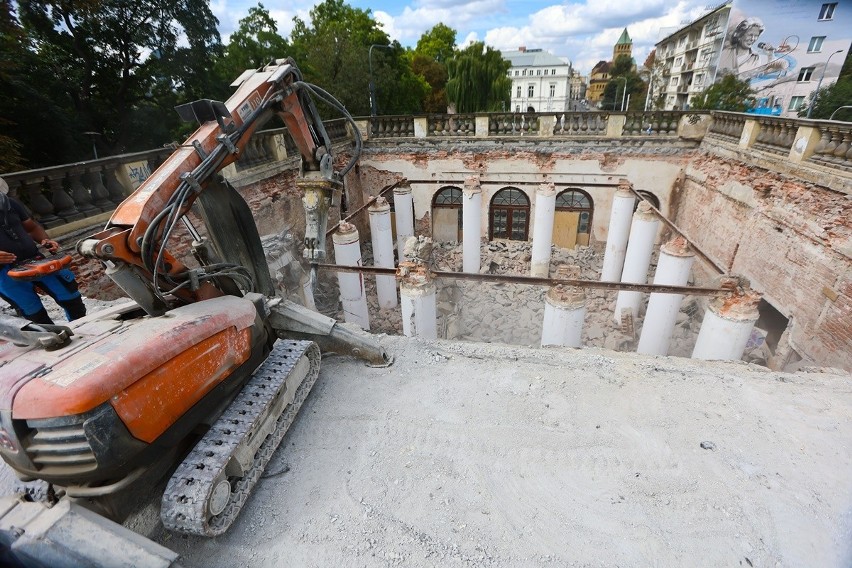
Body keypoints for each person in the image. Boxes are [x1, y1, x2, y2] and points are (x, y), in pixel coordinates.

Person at [0, 177, 86, 324]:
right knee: (33, 312)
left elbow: (32, 228)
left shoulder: (10, 204)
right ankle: (55, 340)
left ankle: (83, 327)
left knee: (71, 296)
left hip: (36, 260)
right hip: (5, 272)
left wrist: (45, 240)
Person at [719, 17, 788, 81]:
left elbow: (783, 63)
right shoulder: (724, 54)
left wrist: (770, 55)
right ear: (740, 35)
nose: (753, 39)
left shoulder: (759, 59)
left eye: (756, 36)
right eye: (750, 35)